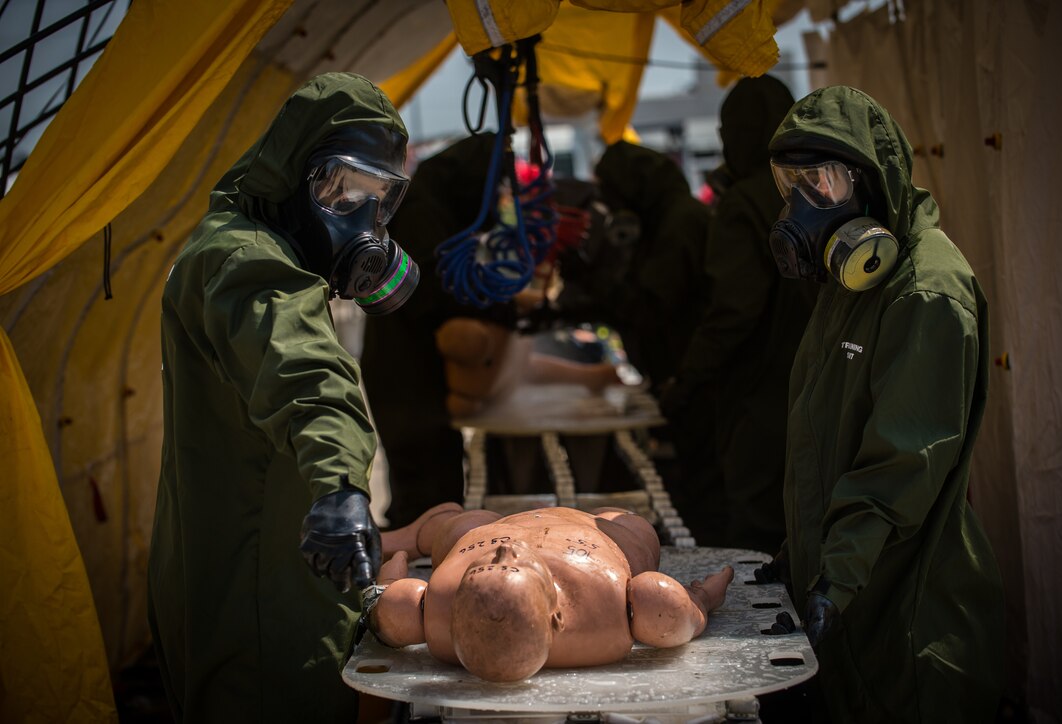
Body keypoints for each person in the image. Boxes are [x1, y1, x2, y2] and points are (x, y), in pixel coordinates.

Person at [149, 72, 414, 723]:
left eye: (378, 200)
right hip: (259, 604)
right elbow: (306, 376)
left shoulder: (263, 253)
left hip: (271, 568)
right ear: (292, 172)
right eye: (343, 189)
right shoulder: (243, 262)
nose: (360, 220)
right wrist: (341, 488)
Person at [757, 85, 1004, 723]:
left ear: (872, 182)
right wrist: (799, 556)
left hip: (908, 626)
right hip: (851, 596)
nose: (803, 203)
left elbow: (902, 463)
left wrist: (833, 581)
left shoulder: (925, 291)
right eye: (792, 182)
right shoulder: (852, 282)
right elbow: (829, 435)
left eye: (821, 181)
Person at [659, 75, 816, 552]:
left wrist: (684, 384)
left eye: (729, 131)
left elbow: (734, 310)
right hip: (821, 385)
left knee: (760, 537)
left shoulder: (744, 202)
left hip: (763, 396)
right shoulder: (817, 190)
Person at [367, 503, 735, 682]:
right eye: (515, 567)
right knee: (630, 524)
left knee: (460, 521)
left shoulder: (436, 608)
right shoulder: (611, 609)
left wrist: (396, 559)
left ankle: (400, 536)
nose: (503, 552)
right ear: (557, 615)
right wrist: (702, 598)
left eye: (483, 567)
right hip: (596, 528)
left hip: (492, 524)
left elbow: (386, 599)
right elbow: (684, 608)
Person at [360, 133, 523, 528]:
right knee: (425, 498)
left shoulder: (433, 204)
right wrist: (500, 304)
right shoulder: (422, 211)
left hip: (412, 370)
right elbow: (436, 293)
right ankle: (411, 579)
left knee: (436, 487)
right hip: (404, 374)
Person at [588, 142, 717, 527]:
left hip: (695, 378)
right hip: (682, 372)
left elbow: (651, 306)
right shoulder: (665, 220)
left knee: (704, 483)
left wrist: (595, 280)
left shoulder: (679, 223)